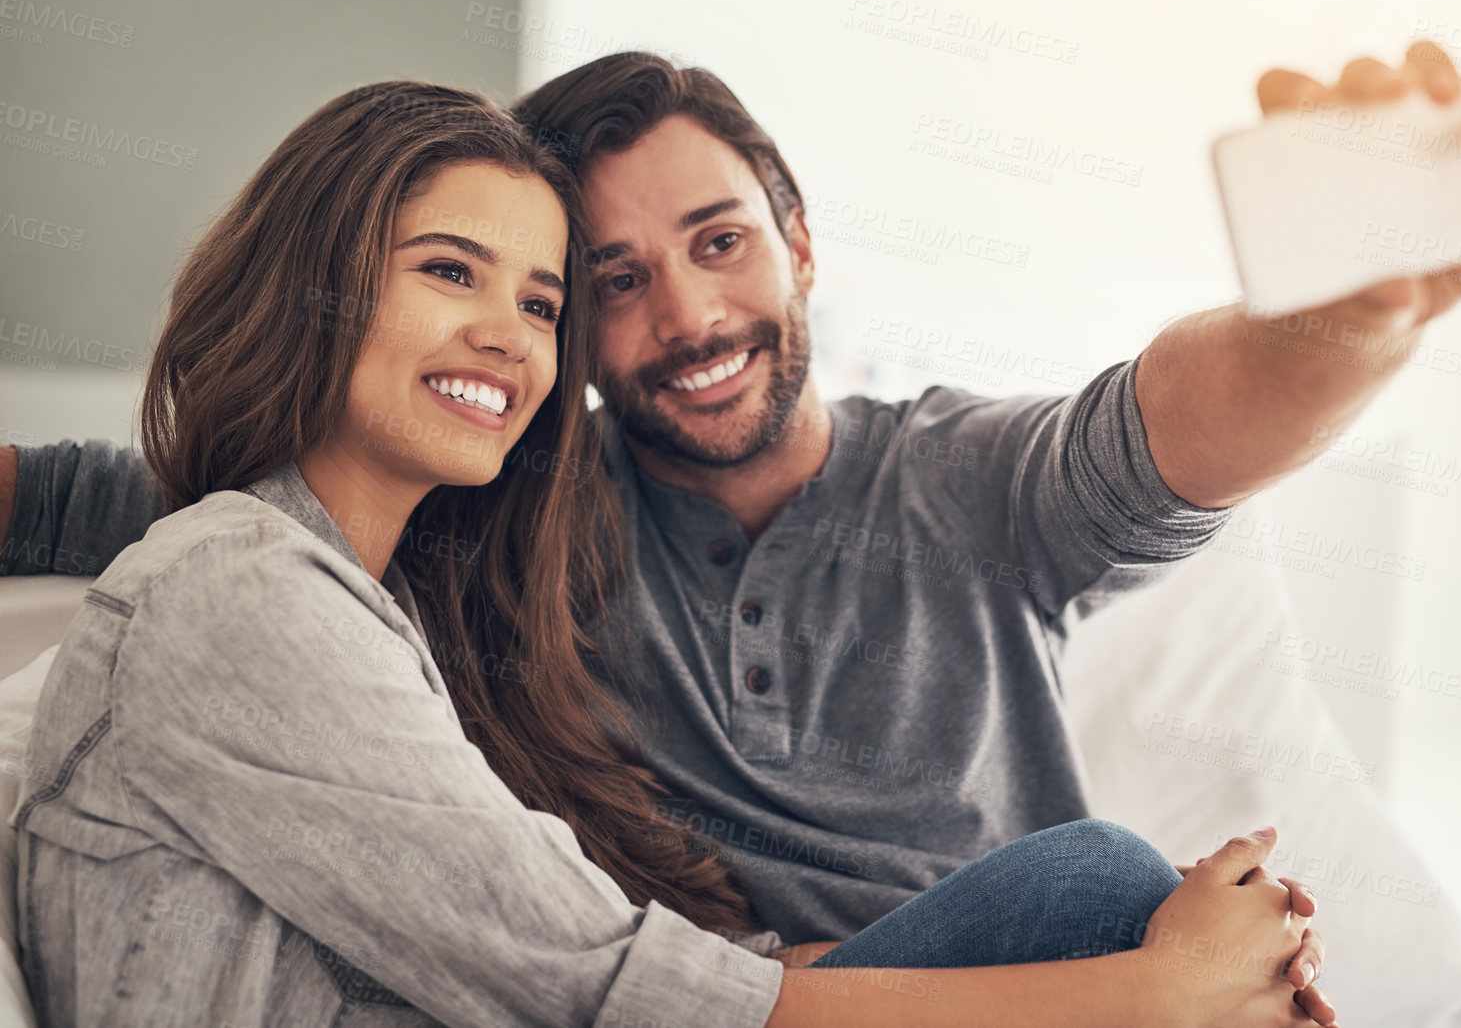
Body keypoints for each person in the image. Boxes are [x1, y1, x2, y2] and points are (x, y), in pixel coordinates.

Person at [6, 80, 1334, 1027]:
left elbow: (1181, 425)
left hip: (818, 980)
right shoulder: (403, 543)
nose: (690, 315)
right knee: (1105, 887)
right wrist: (1153, 995)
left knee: (1102, 884)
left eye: (719, 242)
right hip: (735, 996)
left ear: (798, 243)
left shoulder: (966, 476)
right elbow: (593, 980)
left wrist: (1350, 306)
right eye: (613, 283)